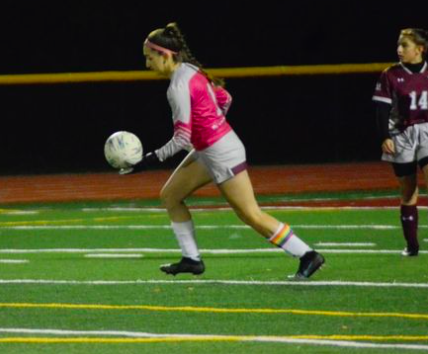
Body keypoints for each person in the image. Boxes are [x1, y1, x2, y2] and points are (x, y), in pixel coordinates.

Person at [130, 22, 325, 279]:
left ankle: (307, 255)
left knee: (250, 214)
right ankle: (191, 259)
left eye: (149, 58)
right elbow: (225, 98)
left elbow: (181, 138)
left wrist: (149, 160)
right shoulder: (190, 70)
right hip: (212, 148)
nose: (147, 64)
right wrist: (212, 125)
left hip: (221, 152)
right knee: (170, 196)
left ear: (165, 55)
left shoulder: (177, 86)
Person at [373, 28, 428, 257]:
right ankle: (412, 244)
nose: (399, 50)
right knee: (408, 191)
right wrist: (384, 136)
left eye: (404, 46)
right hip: (401, 134)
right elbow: (381, 109)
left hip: (426, 129)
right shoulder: (391, 75)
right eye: (398, 45)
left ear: (420, 49)